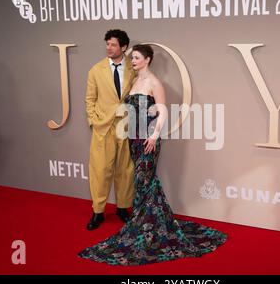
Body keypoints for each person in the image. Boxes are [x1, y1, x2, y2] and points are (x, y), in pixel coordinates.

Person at [78, 44, 227, 265]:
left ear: (147, 59)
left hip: (148, 139)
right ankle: (148, 223)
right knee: (143, 183)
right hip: (133, 139)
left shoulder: (154, 82)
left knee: (144, 180)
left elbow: (163, 110)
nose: (133, 61)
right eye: (132, 58)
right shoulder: (134, 81)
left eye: (136, 58)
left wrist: (155, 136)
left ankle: (146, 227)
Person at [85, 29, 135, 230]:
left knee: (125, 170)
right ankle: (98, 212)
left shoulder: (134, 68)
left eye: (113, 45)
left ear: (123, 47)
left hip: (126, 125)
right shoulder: (95, 70)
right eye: (107, 44)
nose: (109, 48)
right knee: (100, 170)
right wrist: (93, 120)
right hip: (103, 127)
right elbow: (90, 99)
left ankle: (123, 208)